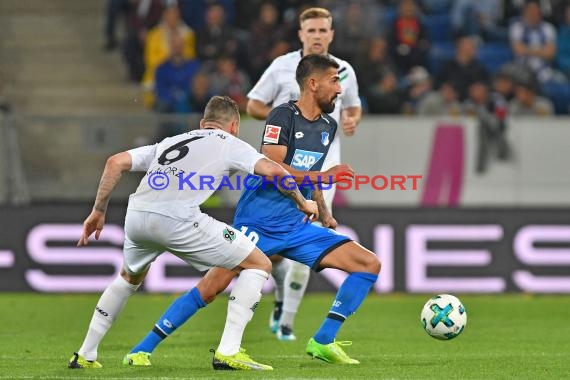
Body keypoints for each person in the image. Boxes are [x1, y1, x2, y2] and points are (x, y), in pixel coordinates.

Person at [127, 54, 381, 366]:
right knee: (211, 287)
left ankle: (323, 340)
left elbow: (310, 171)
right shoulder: (281, 117)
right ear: (312, 84)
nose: (339, 89)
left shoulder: (328, 125)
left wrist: (324, 211)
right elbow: (275, 168)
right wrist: (325, 178)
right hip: (257, 223)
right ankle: (142, 349)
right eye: (334, 81)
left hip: (296, 225)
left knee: (368, 264)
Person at [67, 96, 318, 371]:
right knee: (259, 264)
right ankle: (228, 351)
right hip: (178, 219)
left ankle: (85, 354)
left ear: (202, 123)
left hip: (138, 215)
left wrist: (98, 211)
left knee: (129, 278)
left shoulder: (171, 141)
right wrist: (302, 201)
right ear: (234, 126)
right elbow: (274, 170)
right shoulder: (231, 144)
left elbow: (115, 162)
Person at [245, 7, 362, 341]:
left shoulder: (345, 71)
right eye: (311, 30)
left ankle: (286, 322)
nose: (317, 36)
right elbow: (253, 104)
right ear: (300, 34)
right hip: (283, 170)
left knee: (305, 245)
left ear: (331, 34)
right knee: (280, 250)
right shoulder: (282, 67)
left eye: (323, 30)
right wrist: (288, 118)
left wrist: (354, 119)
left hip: (323, 172)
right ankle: (281, 294)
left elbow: (353, 105)